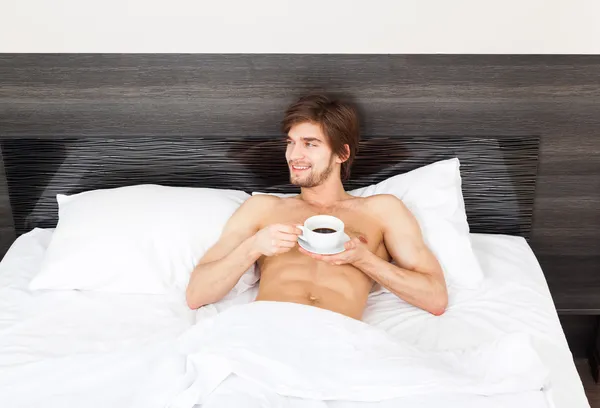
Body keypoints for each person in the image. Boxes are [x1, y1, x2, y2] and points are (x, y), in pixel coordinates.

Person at [186, 94, 448, 319]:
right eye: (291, 143)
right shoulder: (262, 209)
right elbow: (196, 295)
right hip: (267, 330)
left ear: (342, 154)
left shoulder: (382, 210)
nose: (294, 155)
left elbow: (435, 299)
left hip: (337, 337)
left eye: (310, 144)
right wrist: (253, 247)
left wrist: (364, 260)